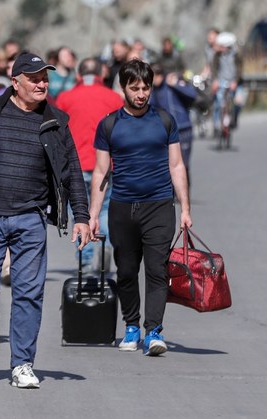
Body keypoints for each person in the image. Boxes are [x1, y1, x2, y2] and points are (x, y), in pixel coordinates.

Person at [0, 52, 91, 388]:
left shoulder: (55, 120)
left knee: (29, 293)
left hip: (30, 218)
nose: (41, 83)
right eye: (33, 78)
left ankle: (22, 364)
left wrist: (82, 216)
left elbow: (72, 171)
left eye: (44, 77)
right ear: (15, 82)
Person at [89, 59, 192, 357]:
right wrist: (94, 215)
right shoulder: (109, 124)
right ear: (123, 88)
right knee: (126, 270)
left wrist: (185, 207)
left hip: (159, 206)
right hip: (122, 208)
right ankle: (131, 326)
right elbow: (100, 172)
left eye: (145, 88)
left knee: (157, 270)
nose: (141, 94)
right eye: (135, 88)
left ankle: (154, 331)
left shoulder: (164, 120)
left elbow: (176, 165)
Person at [55, 57, 123, 272]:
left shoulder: (65, 99)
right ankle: (105, 247)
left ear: (78, 75)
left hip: (74, 166)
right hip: (104, 165)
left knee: (80, 213)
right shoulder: (114, 98)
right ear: (101, 75)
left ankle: (85, 258)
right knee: (103, 209)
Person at [149, 62, 196, 184]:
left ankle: (185, 193)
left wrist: (176, 85)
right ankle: (172, 194)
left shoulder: (172, 83)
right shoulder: (152, 92)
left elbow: (192, 94)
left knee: (183, 164)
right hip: (166, 132)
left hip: (183, 128)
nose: (155, 79)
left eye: (157, 75)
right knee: (169, 165)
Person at [211, 32, 243, 132]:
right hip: (221, 81)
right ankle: (216, 124)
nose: (219, 48)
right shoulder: (217, 56)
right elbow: (214, 69)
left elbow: (239, 70)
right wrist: (215, 81)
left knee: (238, 103)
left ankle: (234, 119)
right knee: (218, 103)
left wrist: (235, 82)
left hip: (234, 82)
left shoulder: (236, 55)